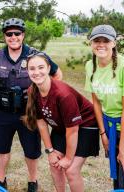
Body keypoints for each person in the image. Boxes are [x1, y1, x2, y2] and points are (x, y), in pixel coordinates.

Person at [0, 18, 62, 191]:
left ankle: (33, 181)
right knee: (1, 148)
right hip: (4, 111)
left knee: (31, 150)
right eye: (9, 34)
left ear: (23, 35)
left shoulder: (35, 55)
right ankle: (0, 180)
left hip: (29, 111)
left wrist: (46, 97)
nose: (13, 37)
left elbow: (57, 74)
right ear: (4, 36)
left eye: (17, 33)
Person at [24, 52, 99, 192]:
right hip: (63, 127)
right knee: (55, 164)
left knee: (70, 170)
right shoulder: (32, 91)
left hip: (85, 125)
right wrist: (50, 151)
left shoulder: (63, 94)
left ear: (48, 69)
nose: (37, 72)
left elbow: (73, 130)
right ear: (27, 71)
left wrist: (68, 158)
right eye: (32, 69)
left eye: (41, 67)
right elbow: (41, 123)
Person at [85, 24, 124, 189]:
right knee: (118, 170)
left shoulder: (122, 66)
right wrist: (103, 134)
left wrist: (122, 146)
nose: (101, 44)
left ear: (114, 43)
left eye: (105, 40)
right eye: (96, 40)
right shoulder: (90, 66)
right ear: (91, 44)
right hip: (109, 125)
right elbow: (96, 102)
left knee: (122, 161)